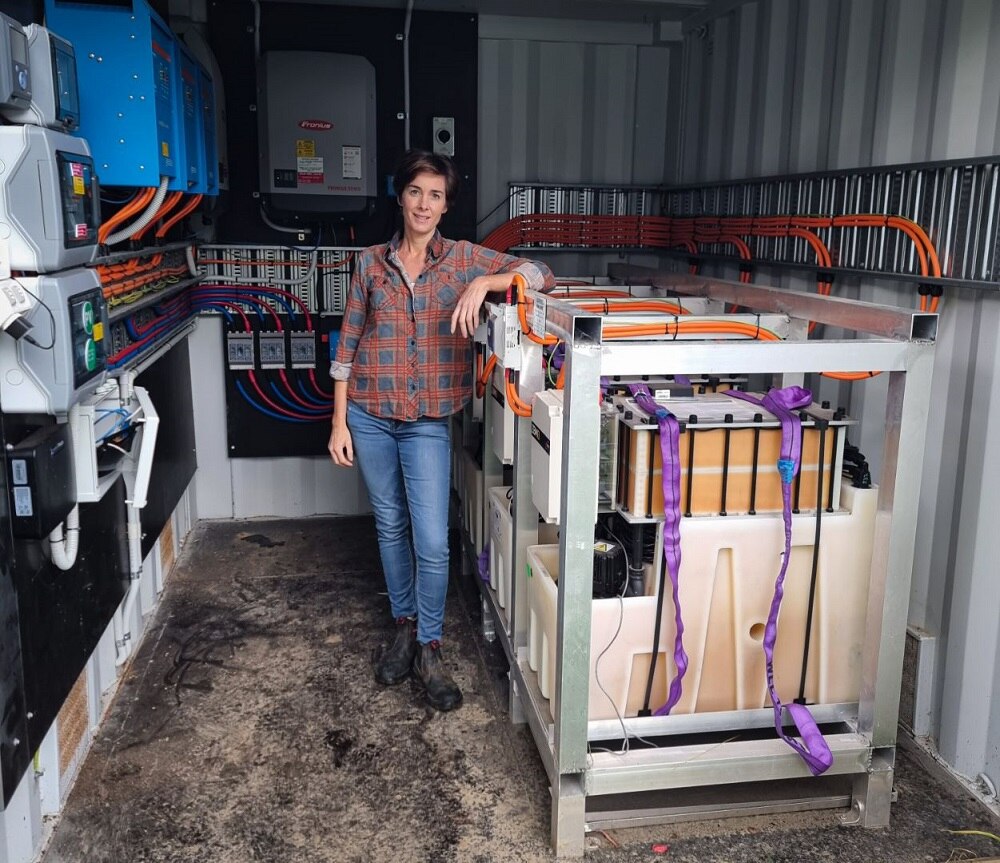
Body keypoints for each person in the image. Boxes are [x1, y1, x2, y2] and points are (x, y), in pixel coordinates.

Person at [328, 150, 555, 711]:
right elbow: (347, 344)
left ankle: (430, 645)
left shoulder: (461, 260)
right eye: (415, 192)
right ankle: (404, 627)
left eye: (435, 195)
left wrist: (487, 282)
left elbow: (541, 273)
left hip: (427, 418)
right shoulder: (369, 264)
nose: (424, 204)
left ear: (446, 205)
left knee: (431, 537)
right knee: (390, 524)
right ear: (399, 196)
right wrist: (339, 420)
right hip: (368, 412)